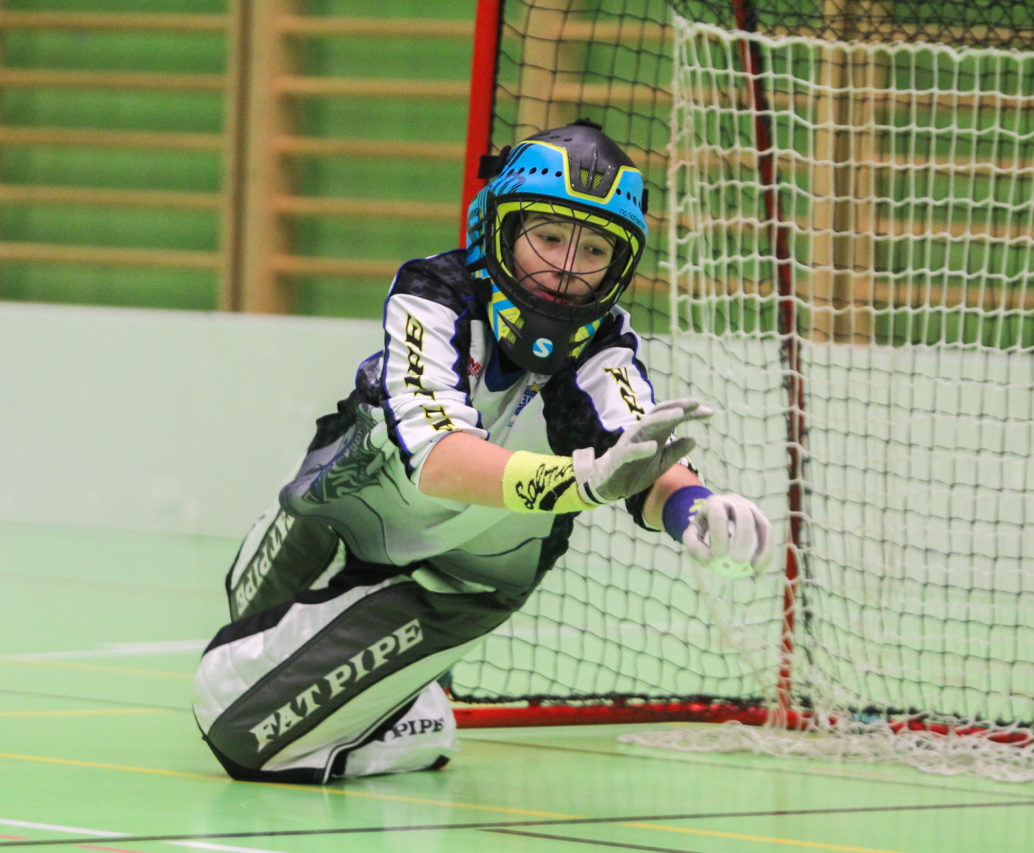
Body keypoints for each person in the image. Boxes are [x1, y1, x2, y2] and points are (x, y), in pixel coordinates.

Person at [191, 118, 773, 783]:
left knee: (230, 717)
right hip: (348, 498)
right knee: (247, 602)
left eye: (592, 252)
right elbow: (442, 461)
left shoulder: (602, 352)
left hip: (456, 581)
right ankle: (383, 688)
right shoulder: (433, 293)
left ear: (619, 265)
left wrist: (696, 506)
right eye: (549, 237)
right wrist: (582, 480)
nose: (563, 269)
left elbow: (640, 456)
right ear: (499, 227)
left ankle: (417, 722)